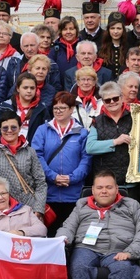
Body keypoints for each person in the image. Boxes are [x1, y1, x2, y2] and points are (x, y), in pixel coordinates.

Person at [32, 92, 92, 235]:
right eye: (55, 108)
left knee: (70, 234)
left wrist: (72, 178)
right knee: (50, 233)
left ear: (71, 109)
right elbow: (36, 156)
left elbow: (86, 159)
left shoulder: (82, 132)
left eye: (62, 108)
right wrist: (52, 176)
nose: (58, 111)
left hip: (73, 193)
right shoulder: (43, 130)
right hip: (49, 193)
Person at [85, 82, 133, 186]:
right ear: (102, 102)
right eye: (107, 100)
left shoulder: (134, 117)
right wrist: (115, 141)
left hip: (130, 178)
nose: (112, 102)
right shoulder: (97, 121)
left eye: (115, 98)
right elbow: (90, 147)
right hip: (105, 181)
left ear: (121, 98)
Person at [0, 72, 50, 140]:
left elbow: (46, 133)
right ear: (18, 88)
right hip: (6, 148)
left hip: (32, 148)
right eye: (25, 88)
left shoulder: (41, 109)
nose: (29, 91)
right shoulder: (4, 107)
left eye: (32, 88)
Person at [99, 12, 128, 77]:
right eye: (112, 28)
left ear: (123, 30)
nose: (115, 32)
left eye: (119, 28)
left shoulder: (128, 48)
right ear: (108, 30)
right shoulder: (101, 49)